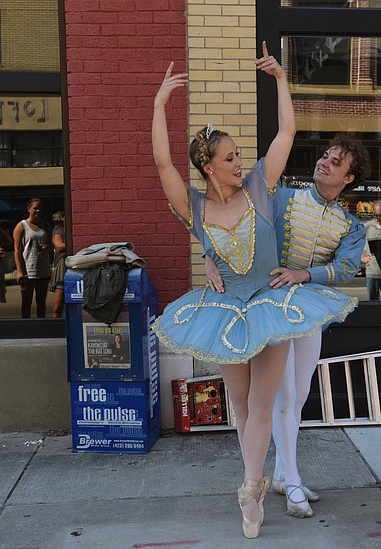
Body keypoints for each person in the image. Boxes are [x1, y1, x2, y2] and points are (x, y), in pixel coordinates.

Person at [151, 46, 357, 539]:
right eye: (230, 156)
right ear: (209, 167)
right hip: (224, 310)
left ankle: (251, 488)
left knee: (264, 404)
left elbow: (287, 133)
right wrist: (158, 107)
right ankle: (257, 478)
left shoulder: (261, 187)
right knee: (240, 406)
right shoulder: (194, 209)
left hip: (272, 306)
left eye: (239, 153)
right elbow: (162, 164)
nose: (239, 160)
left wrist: (282, 80)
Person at [207, 135, 370, 519]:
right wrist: (210, 256)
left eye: (335, 163)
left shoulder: (351, 226)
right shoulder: (284, 197)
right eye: (325, 156)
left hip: (308, 309)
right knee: (283, 396)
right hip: (267, 306)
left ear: (348, 178)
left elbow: (346, 267)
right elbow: (234, 218)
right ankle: (292, 479)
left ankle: (282, 473)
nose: (324, 164)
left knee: (297, 397)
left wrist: (305, 273)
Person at [13, 198, 52, 318]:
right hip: (28, 270)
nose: (38, 210)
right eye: (35, 208)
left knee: (41, 302)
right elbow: (17, 250)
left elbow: (51, 244)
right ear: (29, 209)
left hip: (43, 268)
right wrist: (20, 271)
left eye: (39, 208)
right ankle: (26, 327)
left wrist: (47, 247)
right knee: (27, 302)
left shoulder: (45, 224)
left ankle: (42, 326)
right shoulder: (22, 226)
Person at [49, 210, 67, 318]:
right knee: (58, 307)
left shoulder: (75, 229)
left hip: (75, 265)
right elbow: (59, 245)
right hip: (63, 268)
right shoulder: (58, 231)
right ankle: (56, 327)